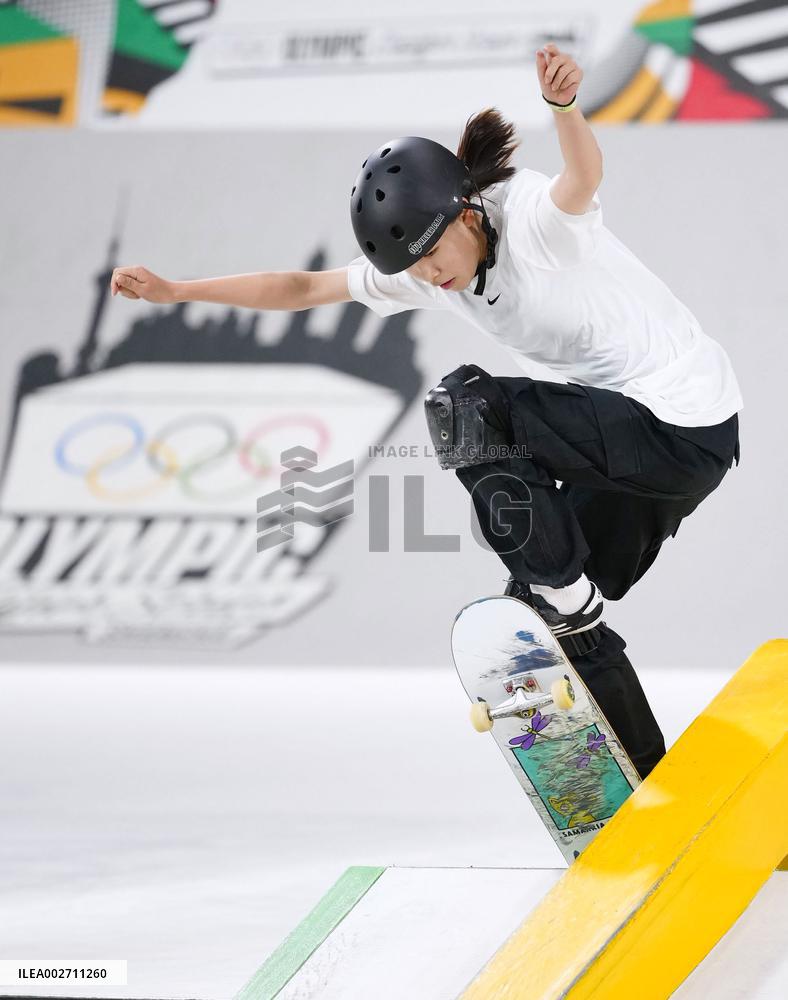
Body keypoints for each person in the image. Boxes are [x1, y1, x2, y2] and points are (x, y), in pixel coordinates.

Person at [110, 44, 742, 779]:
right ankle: (646, 786)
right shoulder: (432, 271)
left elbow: (584, 178)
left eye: (433, 257)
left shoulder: (535, 221)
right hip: (633, 449)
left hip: (680, 422)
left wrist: (565, 109)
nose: (431, 280)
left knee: (470, 406)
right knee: (542, 621)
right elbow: (301, 288)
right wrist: (177, 290)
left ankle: (566, 598)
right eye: (412, 270)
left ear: (465, 211)